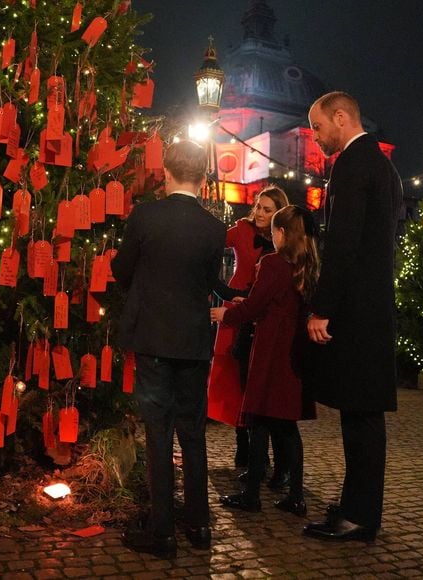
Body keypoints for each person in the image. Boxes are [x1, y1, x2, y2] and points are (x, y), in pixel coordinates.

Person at [112, 140, 226, 558]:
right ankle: (199, 525)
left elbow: (123, 270)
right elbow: (209, 283)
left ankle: (162, 532)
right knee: (193, 434)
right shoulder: (214, 228)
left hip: (153, 340)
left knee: (157, 434)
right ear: (202, 175)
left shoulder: (146, 216)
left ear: (165, 170)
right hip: (193, 342)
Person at [303, 92, 403, 541]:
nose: (317, 137)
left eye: (319, 127)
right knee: (362, 415)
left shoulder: (351, 164)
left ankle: (359, 514)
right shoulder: (381, 165)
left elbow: (341, 245)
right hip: (373, 305)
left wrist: (323, 308)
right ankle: (357, 506)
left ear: (340, 118)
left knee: (359, 416)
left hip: (357, 312)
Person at [211, 205, 319, 514]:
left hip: (270, 353)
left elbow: (255, 307)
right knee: (287, 427)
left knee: (257, 420)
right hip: (293, 355)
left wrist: (225, 315)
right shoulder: (307, 264)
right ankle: (296, 495)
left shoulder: (273, 263)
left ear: (282, 233)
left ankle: (251, 495)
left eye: (273, 231)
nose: (270, 237)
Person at [208, 186, 291, 489]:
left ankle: (266, 458)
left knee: (262, 383)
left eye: (267, 209)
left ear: (279, 214)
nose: (258, 213)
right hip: (237, 309)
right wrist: (224, 291)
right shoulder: (241, 230)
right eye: (257, 206)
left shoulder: (286, 241)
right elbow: (210, 245)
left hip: (266, 314)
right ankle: (245, 450)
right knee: (235, 381)